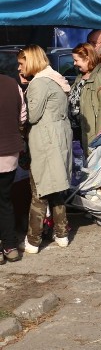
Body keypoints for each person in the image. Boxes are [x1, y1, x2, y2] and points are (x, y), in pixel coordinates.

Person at [17, 45, 72, 254]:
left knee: (39, 191)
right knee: (56, 188)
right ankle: (61, 234)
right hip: (58, 140)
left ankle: (33, 240)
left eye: (21, 64)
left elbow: (30, 116)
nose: (20, 69)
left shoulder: (39, 83)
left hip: (45, 143)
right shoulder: (54, 79)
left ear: (30, 61)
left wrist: (24, 91)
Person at [0, 61, 25, 263]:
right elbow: (23, 117)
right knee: (5, 200)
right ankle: (10, 246)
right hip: (9, 153)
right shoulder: (12, 84)